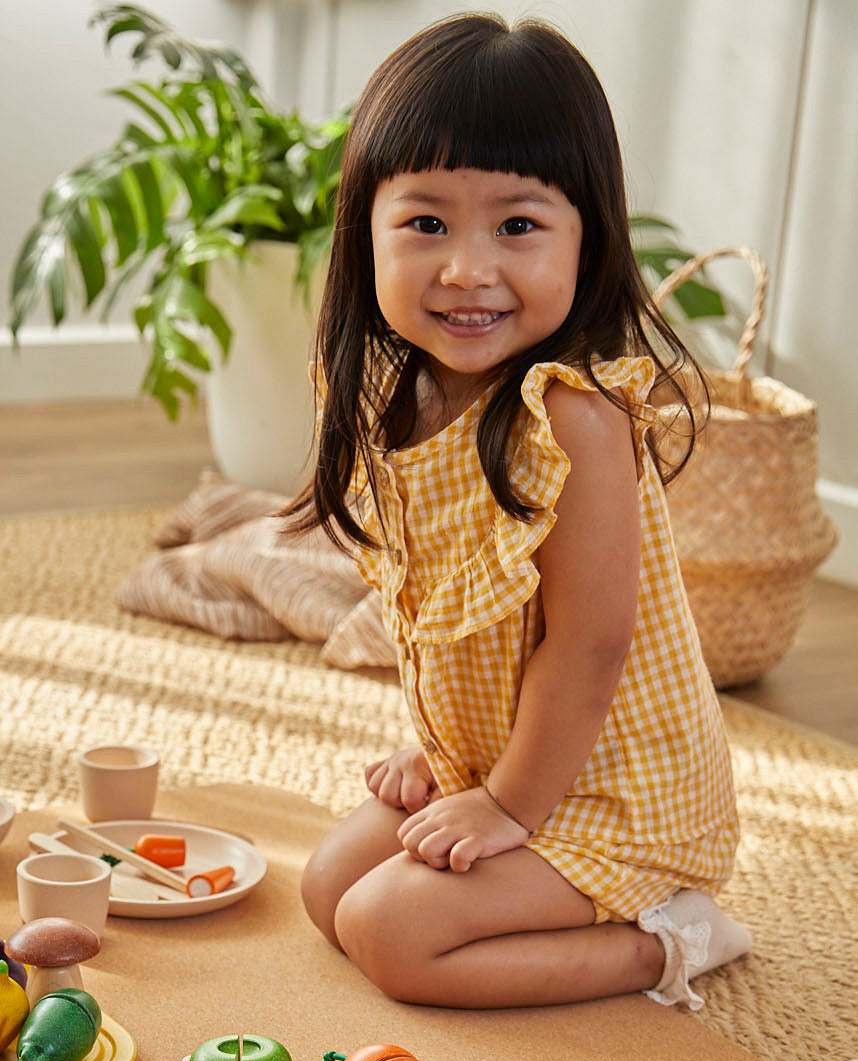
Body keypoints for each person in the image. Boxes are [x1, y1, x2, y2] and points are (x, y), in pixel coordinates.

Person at [286, 13, 751, 1010]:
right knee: (326, 891)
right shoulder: (396, 394)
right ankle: (506, 816)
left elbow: (589, 643)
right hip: (508, 758)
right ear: (365, 232)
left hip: (615, 796)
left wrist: (504, 803)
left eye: (517, 226)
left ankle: (670, 938)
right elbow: (458, 620)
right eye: (426, 224)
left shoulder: (572, 416)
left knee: (389, 933)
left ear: (588, 238)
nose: (466, 269)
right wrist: (446, 751)